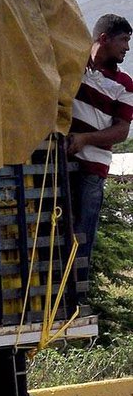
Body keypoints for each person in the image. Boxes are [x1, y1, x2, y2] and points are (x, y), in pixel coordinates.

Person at [68, 14, 133, 278]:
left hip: (92, 170)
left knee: (82, 238)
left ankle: (76, 297)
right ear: (104, 39)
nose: (127, 48)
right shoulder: (73, 64)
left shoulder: (125, 83)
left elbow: (121, 130)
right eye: (124, 40)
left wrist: (84, 139)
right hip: (59, 163)